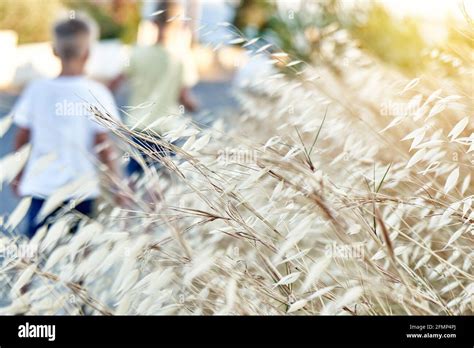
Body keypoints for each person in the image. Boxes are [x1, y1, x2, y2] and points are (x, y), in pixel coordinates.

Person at [11, 17, 122, 238]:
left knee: (37, 254)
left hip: (41, 188)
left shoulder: (37, 90)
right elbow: (103, 145)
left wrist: (17, 175)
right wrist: (118, 184)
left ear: (54, 50)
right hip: (81, 190)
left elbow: (22, 138)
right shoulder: (97, 92)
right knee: (78, 257)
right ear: (88, 52)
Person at [111, 0, 198, 177]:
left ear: (153, 23)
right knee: (162, 182)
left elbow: (114, 84)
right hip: (166, 130)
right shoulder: (181, 59)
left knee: (135, 177)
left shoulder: (137, 53)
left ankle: (134, 205)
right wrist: (195, 106)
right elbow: (184, 98)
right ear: (180, 25)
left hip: (137, 127)